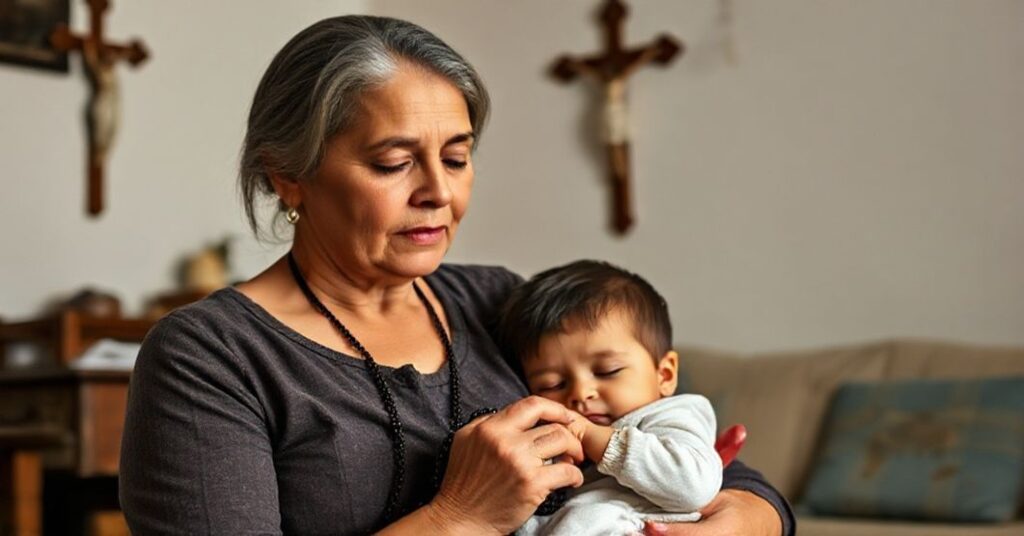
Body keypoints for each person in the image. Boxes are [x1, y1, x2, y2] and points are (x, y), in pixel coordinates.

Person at [118, 15, 795, 536]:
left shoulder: (498, 300)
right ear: (287, 176)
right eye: (392, 163)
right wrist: (460, 516)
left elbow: (711, 467)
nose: (438, 192)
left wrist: (748, 516)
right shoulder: (211, 357)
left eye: (457, 156)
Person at [500, 260, 723, 535]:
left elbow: (694, 486)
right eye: (552, 384)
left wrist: (600, 440)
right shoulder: (555, 437)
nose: (581, 393)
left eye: (608, 371)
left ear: (664, 375)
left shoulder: (673, 416)